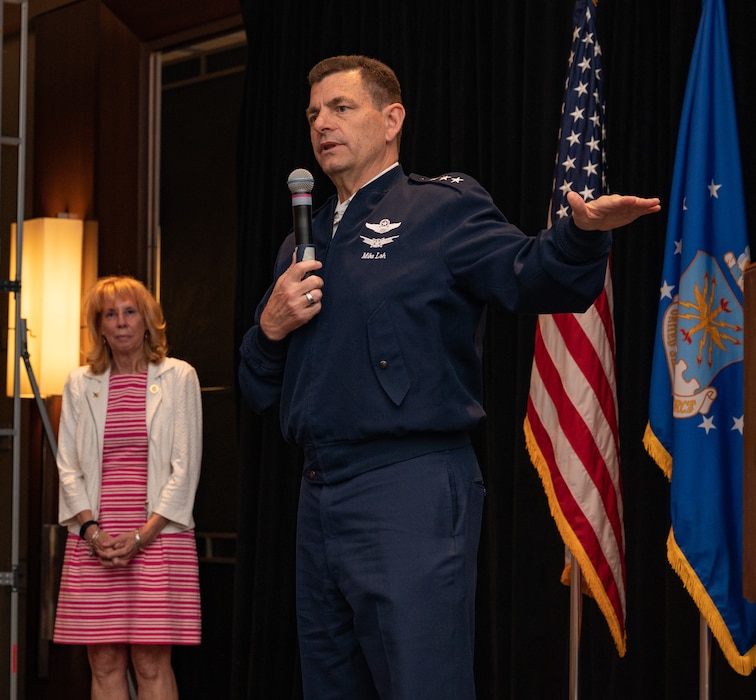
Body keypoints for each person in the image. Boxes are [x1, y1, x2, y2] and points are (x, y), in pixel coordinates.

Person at [238, 55, 661, 699]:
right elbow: (259, 387)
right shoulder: (305, 238)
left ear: (391, 120)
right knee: (330, 684)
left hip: (409, 486)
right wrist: (268, 327)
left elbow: (527, 271)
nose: (322, 123)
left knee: (421, 684)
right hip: (319, 494)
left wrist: (578, 234)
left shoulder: (438, 210)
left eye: (342, 108)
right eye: (314, 113)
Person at [53, 275, 202, 699]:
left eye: (130, 312)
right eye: (110, 314)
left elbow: (185, 470)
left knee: (152, 664)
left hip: (158, 539)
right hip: (95, 542)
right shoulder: (80, 383)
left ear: (147, 321)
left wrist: (141, 537)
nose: (120, 322)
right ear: (99, 326)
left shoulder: (179, 377)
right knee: (103, 664)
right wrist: (93, 533)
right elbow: (68, 469)